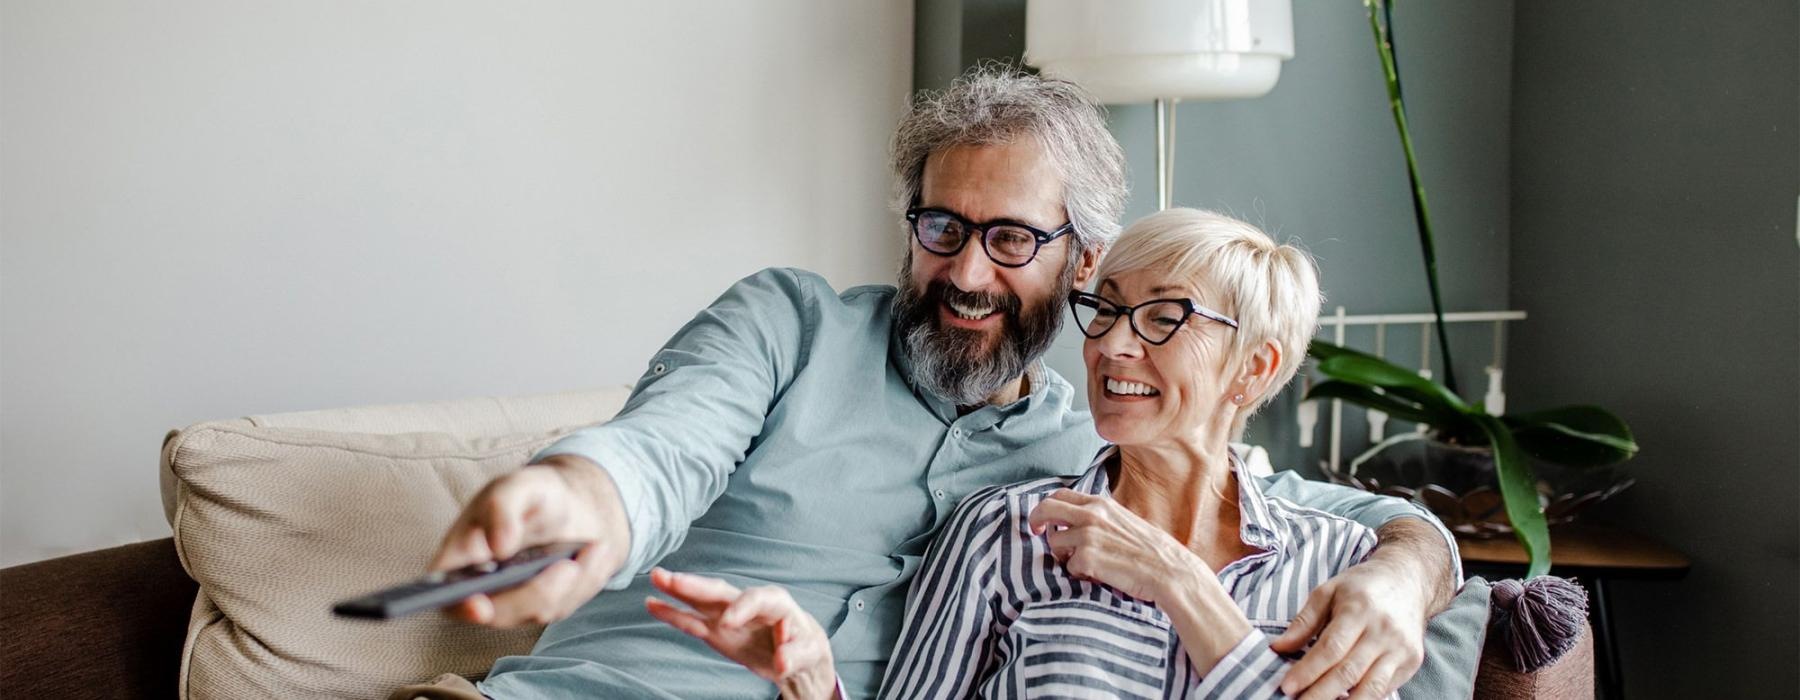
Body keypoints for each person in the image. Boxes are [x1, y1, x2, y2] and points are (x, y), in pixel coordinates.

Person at [418, 66, 1466, 700]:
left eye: (1011, 237)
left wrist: (1406, 572)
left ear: (1081, 260)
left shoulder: (1090, 462)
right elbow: (658, 451)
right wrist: (579, 502)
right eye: (942, 228)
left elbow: (1322, 509)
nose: (966, 272)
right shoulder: (789, 325)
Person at [651, 208, 1408, 698]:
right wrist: (813, 681)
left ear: (1256, 368)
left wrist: (1183, 586)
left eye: (1162, 317)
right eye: (1106, 308)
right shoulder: (1005, 532)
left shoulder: (1342, 571)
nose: (1111, 344)